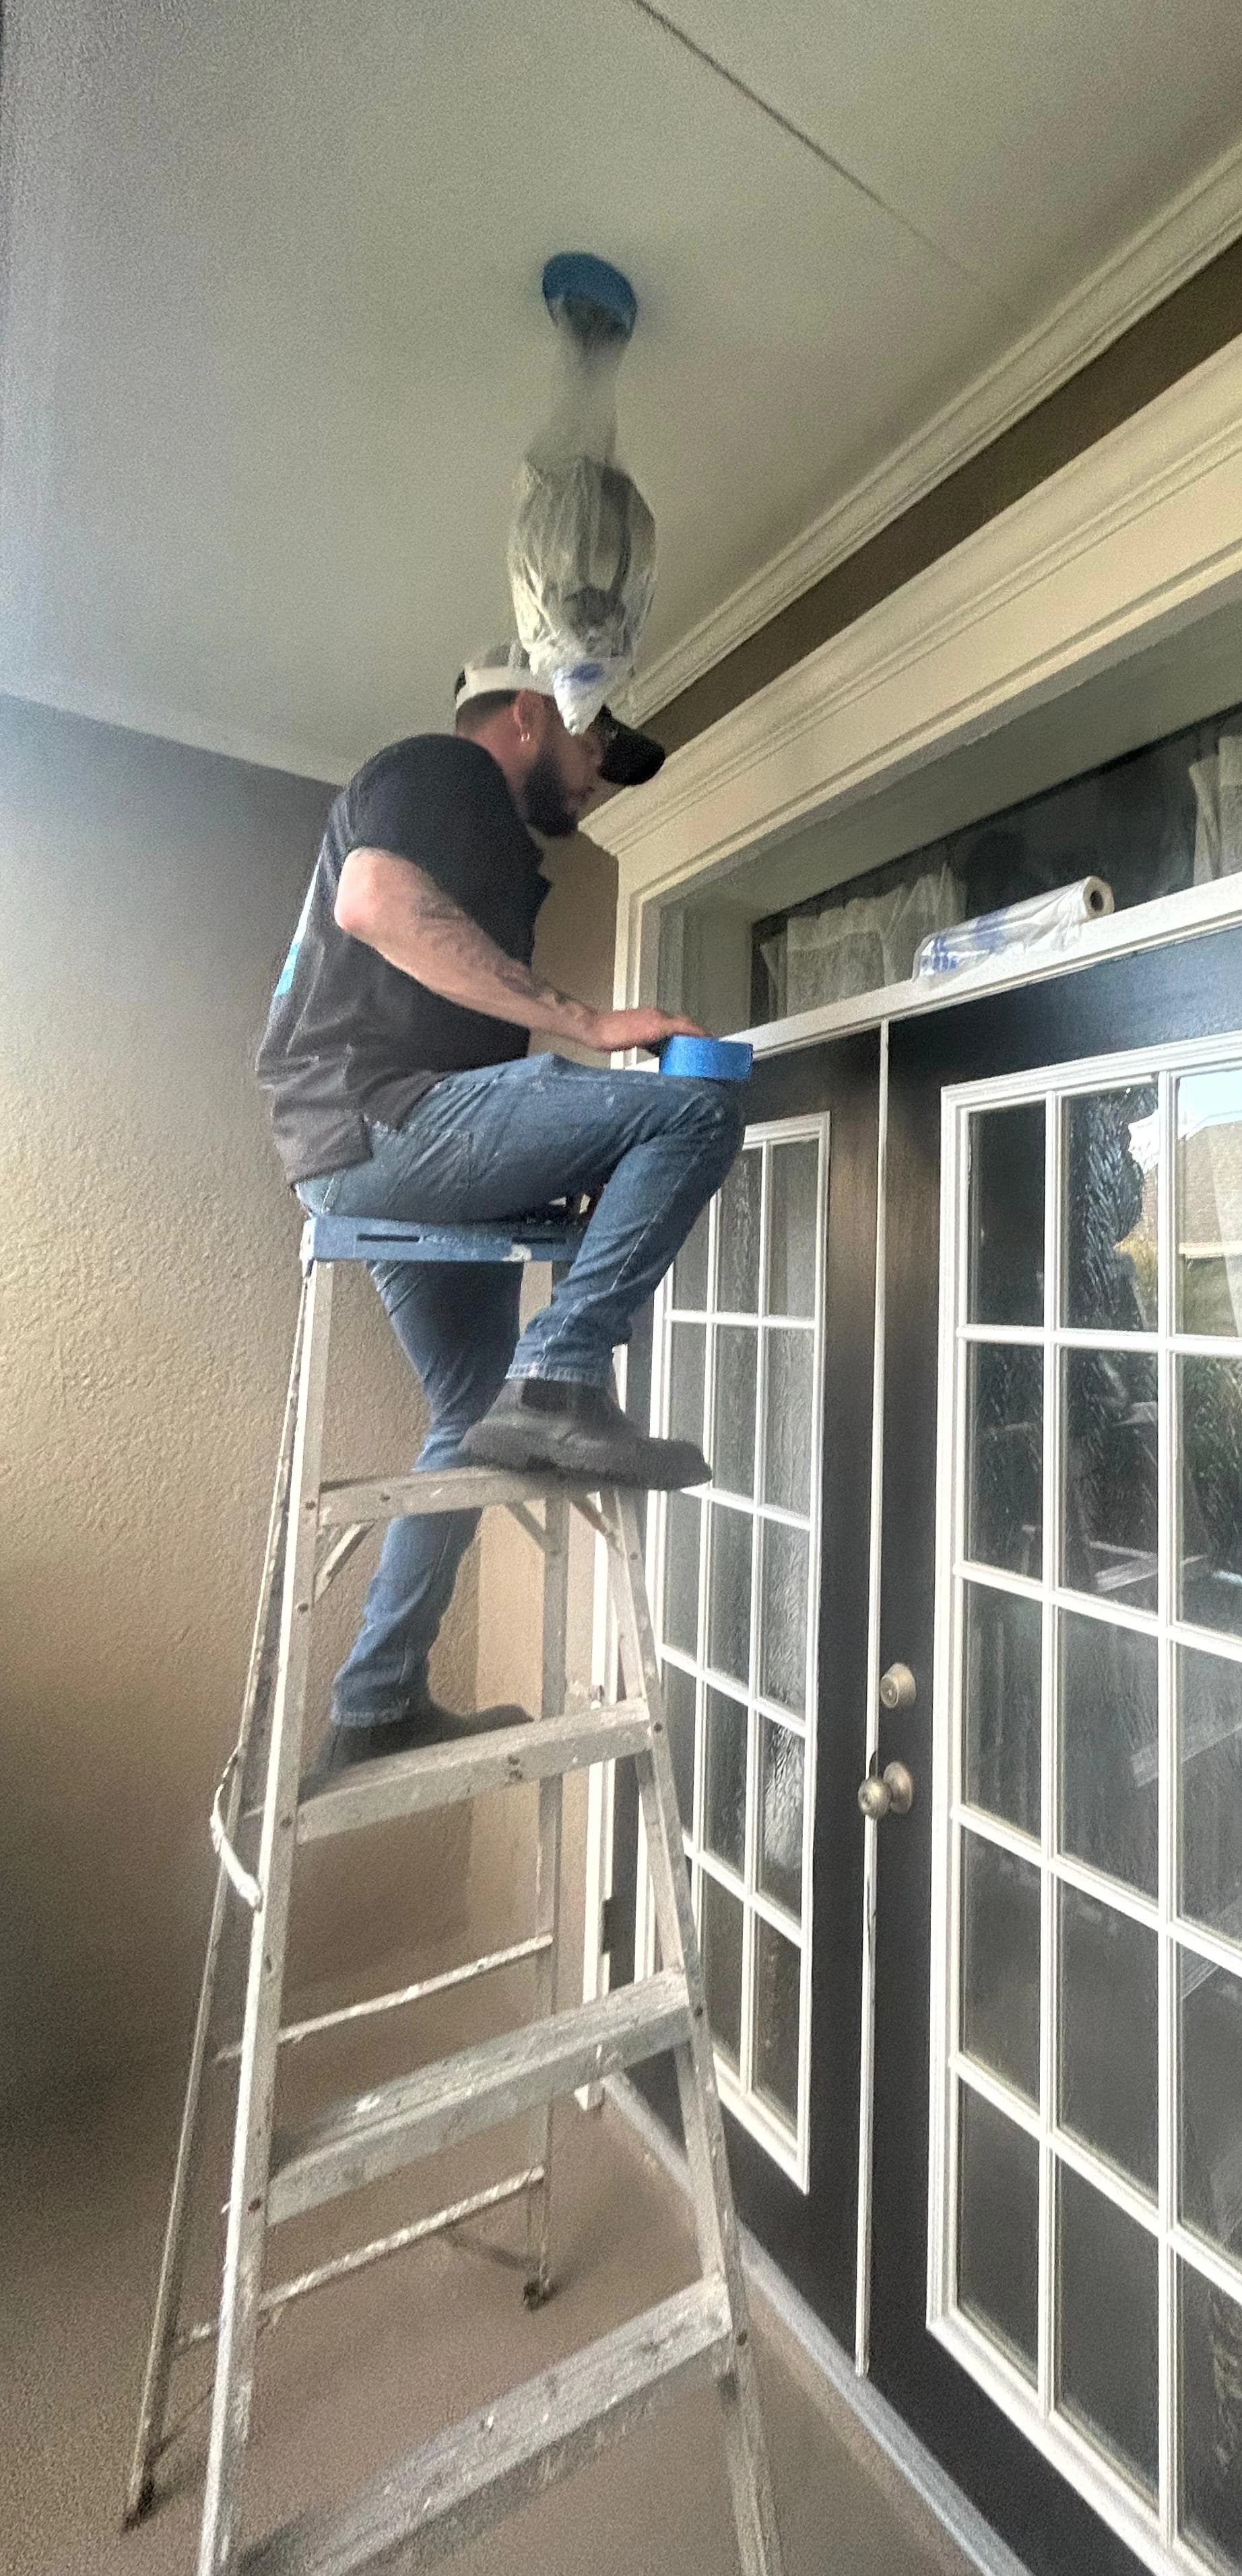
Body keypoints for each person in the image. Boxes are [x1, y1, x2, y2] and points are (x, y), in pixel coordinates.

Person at [257, 643, 742, 1781]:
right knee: (690, 1115)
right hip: (383, 1120)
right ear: (526, 714)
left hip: (372, 1144)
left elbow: (461, 1037)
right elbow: (373, 899)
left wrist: (541, 1162)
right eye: (589, 749)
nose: (597, 780)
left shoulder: (495, 849)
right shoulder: (443, 771)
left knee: (476, 1406)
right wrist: (586, 1021)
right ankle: (566, 1373)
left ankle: (378, 1699)